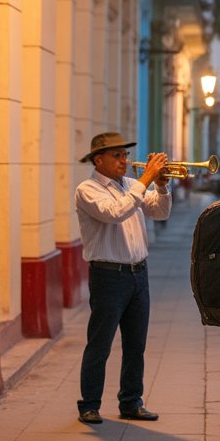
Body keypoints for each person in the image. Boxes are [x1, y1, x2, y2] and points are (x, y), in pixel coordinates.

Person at [75, 132, 171, 424]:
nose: (125, 161)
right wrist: (146, 180)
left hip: (138, 274)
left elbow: (160, 212)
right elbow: (114, 213)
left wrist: (162, 185)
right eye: (117, 156)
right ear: (98, 160)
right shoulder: (88, 189)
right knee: (100, 344)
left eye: (125, 155)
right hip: (108, 276)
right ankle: (89, 404)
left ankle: (131, 401)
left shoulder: (130, 184)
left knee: (136, 344)